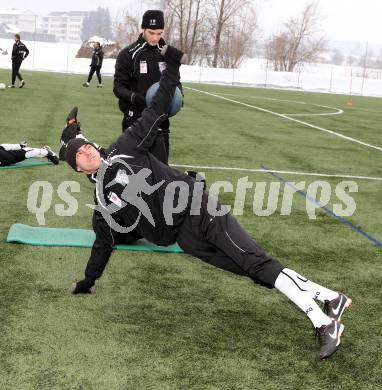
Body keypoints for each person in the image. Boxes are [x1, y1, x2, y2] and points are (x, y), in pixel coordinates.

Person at [63, 45, 351, 360]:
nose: (86, 153)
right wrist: (88, 281)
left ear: (93, 144)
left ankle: (323, 322)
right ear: (78, 168)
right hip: (185, 239)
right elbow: (104, 243)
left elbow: (157, 107)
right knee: (251, 269)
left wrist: (171, 65)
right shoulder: (103, 200)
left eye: (85, 146)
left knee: (255, 261)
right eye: (79, 155)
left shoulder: (126, 146)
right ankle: (330, 297)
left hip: (198, 208)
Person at [113, 9, 182, 165]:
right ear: (143, 29)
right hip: (135, 122)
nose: (155, 37)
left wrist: (180, 97)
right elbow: (118, 87)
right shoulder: (128, 54)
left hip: (160, 123)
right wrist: (135, 98)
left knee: (161, 175)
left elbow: (176, 82)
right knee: (133, 174)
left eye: (159, 33)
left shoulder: (167, 54)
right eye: (151, 32)